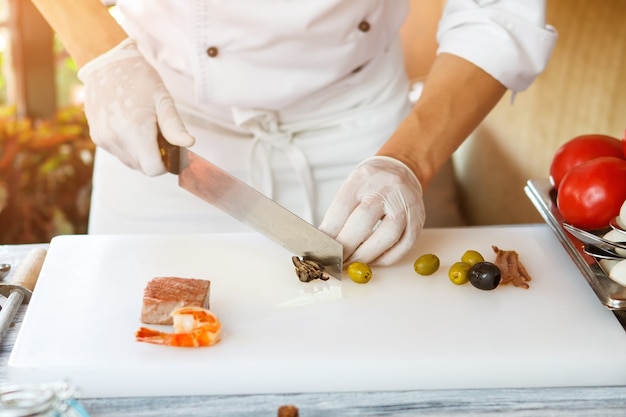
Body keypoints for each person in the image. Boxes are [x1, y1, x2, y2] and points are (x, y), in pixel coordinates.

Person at [32, 0, 557, 266]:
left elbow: (499, 14)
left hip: (365, 127)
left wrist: (407, 162)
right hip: (163, 122)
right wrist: (104, 58)